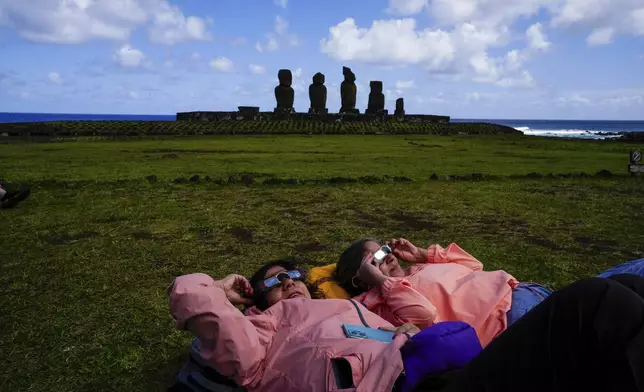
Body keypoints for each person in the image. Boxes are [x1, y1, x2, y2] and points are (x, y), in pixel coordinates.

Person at [167, 259, 644, 392]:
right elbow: (236, 357)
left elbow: (422, 319)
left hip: (439, 369)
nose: (292, 283)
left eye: (296, 274)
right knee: (596, 301)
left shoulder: (347, 307)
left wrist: (404, 334)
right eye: (276, 280)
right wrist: (217, 290)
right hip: (400, 387)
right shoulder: (260, 326)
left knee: (625, 286)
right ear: (253, 297)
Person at [334, 238, 552, 347]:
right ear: (363, 276)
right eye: (376, 259)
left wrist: (421, 255)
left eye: (384, 250)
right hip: (508, 318)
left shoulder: (416, 269)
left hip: (527, 291)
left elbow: (474, 266)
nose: (388, 256)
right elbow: (425, 314)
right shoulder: (381, 300)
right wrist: (381, 281)